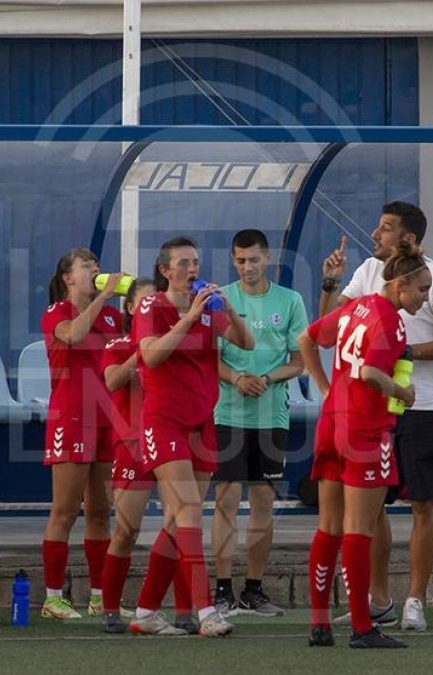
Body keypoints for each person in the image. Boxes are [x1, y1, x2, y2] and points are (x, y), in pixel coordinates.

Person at [320, 201, 433, 631]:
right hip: (374, 410)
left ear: (409, 239)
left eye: (385, 228)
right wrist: (329, 281)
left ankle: (415, 601)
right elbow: (330, 327)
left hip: (422, 408)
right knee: (373, 506)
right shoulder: (367, 270)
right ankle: (378, 599)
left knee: (424, 504)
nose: (374, 234)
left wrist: (402, 352)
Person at [301, 240, 430, 649]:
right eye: (422, 290)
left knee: (329, 527)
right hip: (365, 429)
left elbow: (308, 339)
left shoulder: (356, 308)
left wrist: (325, 389)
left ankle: (320, 623)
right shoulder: (389, 320)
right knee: (359, 530)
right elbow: (374, 372)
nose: (424, 299)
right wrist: (403, 393)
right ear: (400, 284)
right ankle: (361, 627)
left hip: (332, 423)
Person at [128, 236, 253, 638]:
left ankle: (146, 611)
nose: (192, 269)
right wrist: (187, 318)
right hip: (164, 422)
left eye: (196, 262)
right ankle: (205, 611)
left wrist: (228, 308)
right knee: (188, 512)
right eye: (183, 263)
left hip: (202, 424)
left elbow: (246, 343)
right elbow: (150, 355)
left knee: (176, 518)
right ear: (165, 270)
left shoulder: (206, 310)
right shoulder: (152, 306)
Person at [211, 229, 307, 617]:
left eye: (253, 259)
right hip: (228, 414)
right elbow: (210, 358)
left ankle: (253, 589)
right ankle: (222, 590)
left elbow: (299, 360)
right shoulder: (221, 301)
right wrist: (236, 378)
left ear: (267, 258)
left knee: (263, 501)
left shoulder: (290, 300)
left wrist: (267, 378)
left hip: (272, 416)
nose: (247, 267)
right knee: (226, 500)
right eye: (239, 260)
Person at [99, 278, 192, 635]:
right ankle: (109, 608)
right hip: (133, 444)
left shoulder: (178, 341)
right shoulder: (119, 344)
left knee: (181, 522)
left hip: (171, 438)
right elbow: (111, 382)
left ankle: (184, 609)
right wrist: (142, 352)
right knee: (127, 529)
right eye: (147, 302)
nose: (156, 308)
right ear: (131, 308)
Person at [40, 249, 124, 619]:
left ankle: (100, 596)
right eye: (86, 266)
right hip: (71, 416)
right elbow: (73, 335)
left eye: (97, 265)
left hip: (107, 418)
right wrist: (104, 296)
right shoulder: (57, 312)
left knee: (101, 511)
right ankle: (53, 598)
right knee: (65, 509)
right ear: (69, 277)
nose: (95, 270)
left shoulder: (113, 316)